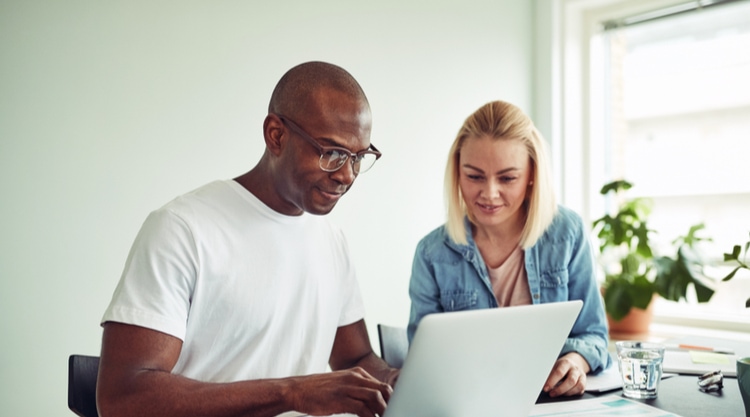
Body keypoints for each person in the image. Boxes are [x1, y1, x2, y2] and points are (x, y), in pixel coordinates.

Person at [97, 61, 399, 417]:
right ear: (276, 135)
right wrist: (291, 393)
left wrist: (403, 381)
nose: (347, 176)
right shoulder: (182, 229)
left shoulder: (331, 240)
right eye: (332, 153)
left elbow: (355, 358)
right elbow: (121, 398)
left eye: (358, 157)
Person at [407, 100, 611, 398]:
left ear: (531, 175)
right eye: (474, 176)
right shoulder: (432, 254)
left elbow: (594, 334)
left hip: (551, 403)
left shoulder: (567, 233)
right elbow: (423, 362)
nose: (489, 193)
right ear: (457, 172)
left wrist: (575, 361)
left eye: (507, 178)